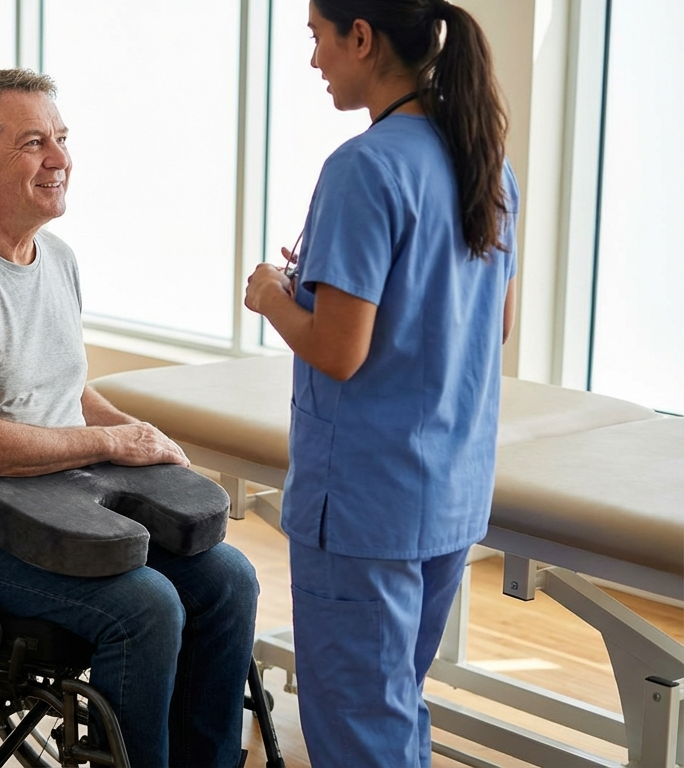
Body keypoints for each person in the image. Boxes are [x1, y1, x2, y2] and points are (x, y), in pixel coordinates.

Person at [0, 68, 259, 768]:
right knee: (145, 606)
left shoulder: (56, 258)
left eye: (61, 138)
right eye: (33, 143)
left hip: (57, 503)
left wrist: (140, 441)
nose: (59, 159)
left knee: (228, 577)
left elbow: (69, 388)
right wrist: (111, 440)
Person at [243, 1, 518, 766]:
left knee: (361, 725)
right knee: (393, 704)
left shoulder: (363, 168)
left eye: (318, 40)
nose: (314, 61)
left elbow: (337, 352)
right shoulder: (485, 163)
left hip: (365, 504)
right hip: (447, 493)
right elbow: (489, 324)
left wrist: (273, 296)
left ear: (360, 37)